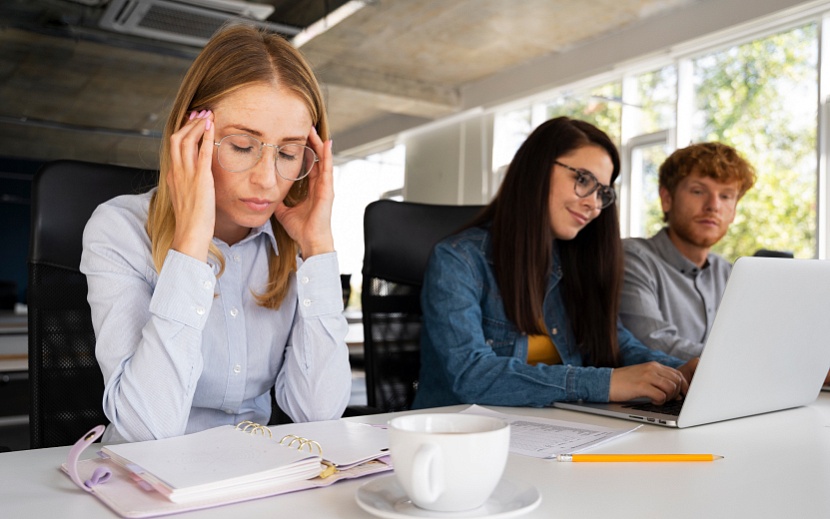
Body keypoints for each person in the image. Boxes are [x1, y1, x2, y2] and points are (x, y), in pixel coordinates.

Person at [80, 24, 352, 443]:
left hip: (253, 475)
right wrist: (189, 246)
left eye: (288, 152)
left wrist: (318, 249)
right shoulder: (118, 229)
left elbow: (317, 413)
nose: (267, 179)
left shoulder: (290, 243)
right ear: (192, 137)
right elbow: (145, 429)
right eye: (243, 146)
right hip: (144, 486)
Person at [411, 116, 697, 410]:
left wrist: (682, 371)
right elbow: (471, 376)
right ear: (536, 170)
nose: (594, 205)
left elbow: (619, 346)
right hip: (461, 434)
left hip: (550, 430)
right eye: (582, 180)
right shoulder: (458, 260)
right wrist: (606, 383)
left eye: (603, 192)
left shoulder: (576, 261)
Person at [619, 142, 755, 360]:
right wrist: (759, 360)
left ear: (733, 212)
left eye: (726, 196)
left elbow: (755, 340)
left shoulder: (731, 274)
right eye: (698, 191)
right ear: (666, 199)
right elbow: (653, 343)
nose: (713, 206)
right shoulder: (631, 258)